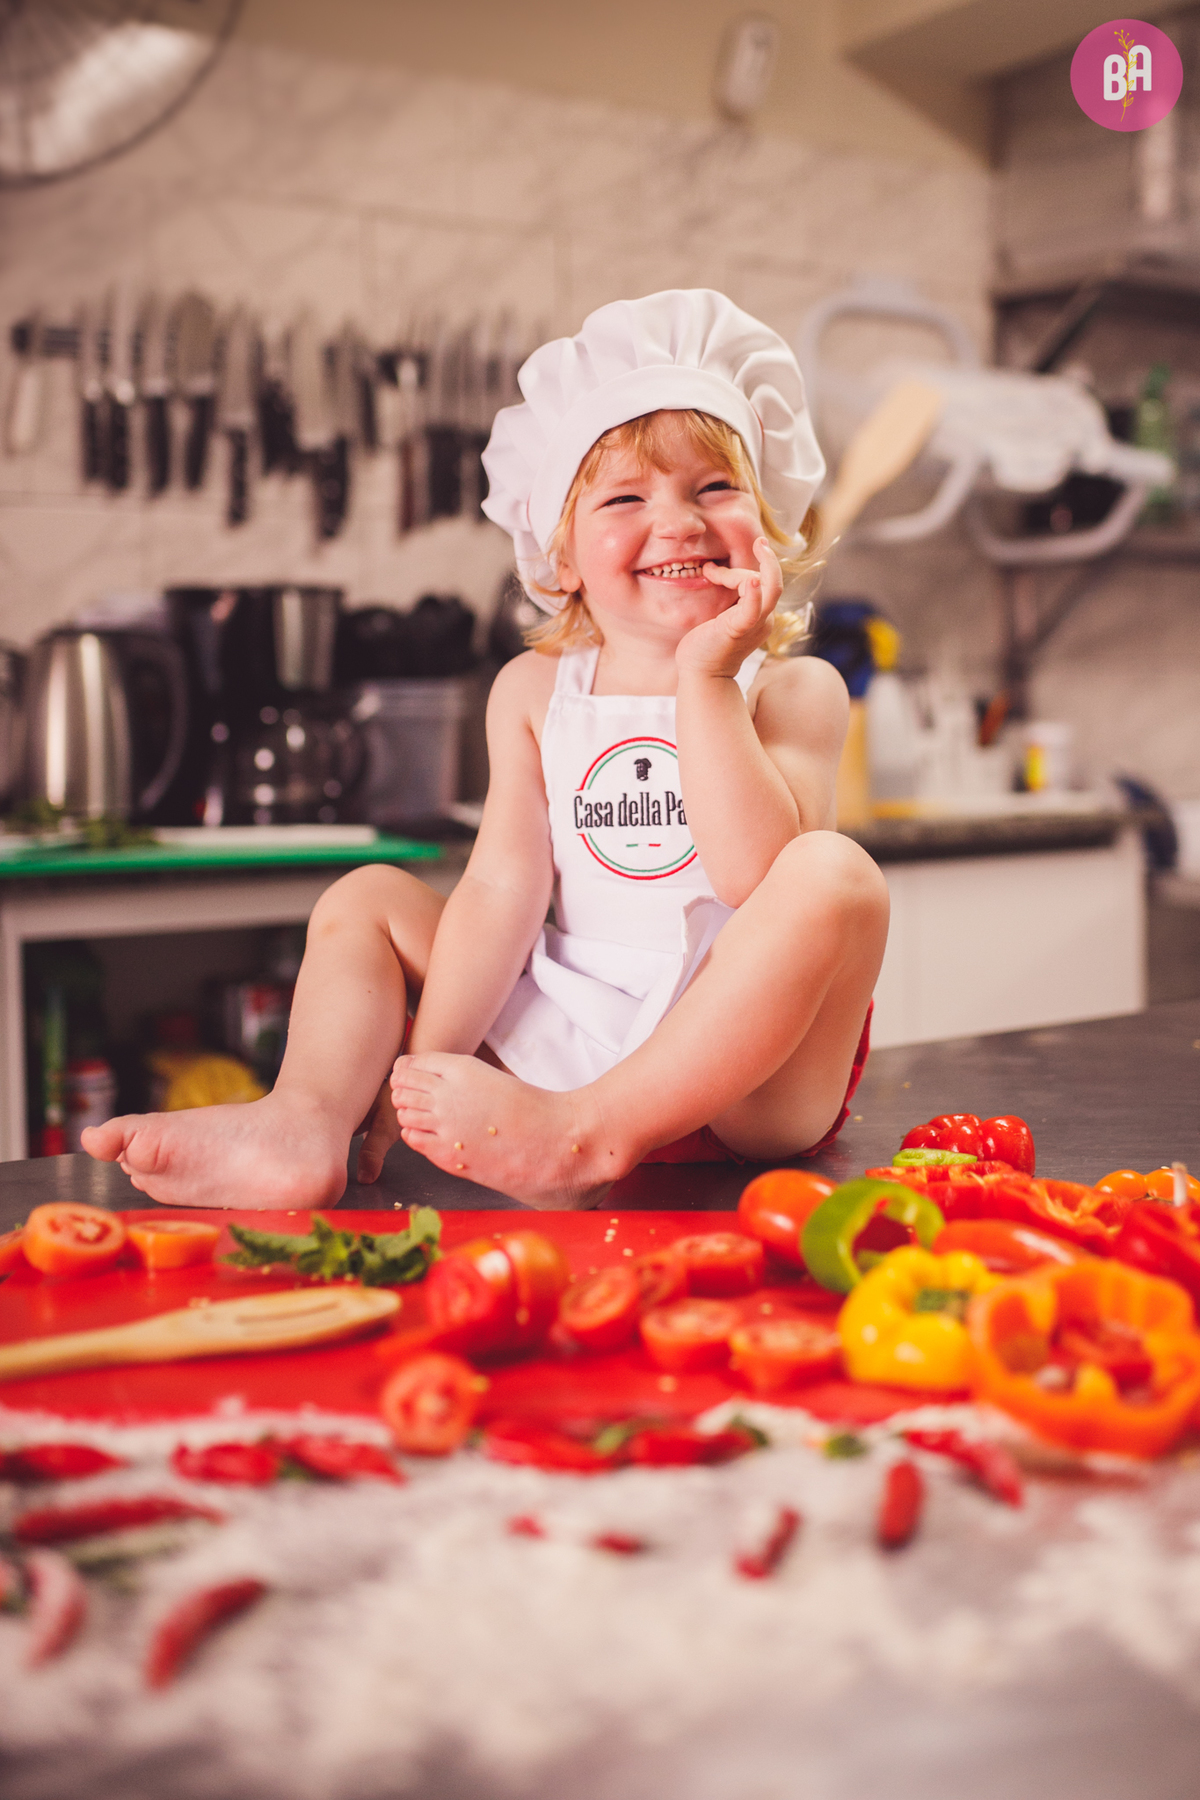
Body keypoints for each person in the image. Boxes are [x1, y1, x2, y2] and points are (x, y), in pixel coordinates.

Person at [83, 290, 888, 1211]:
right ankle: (305, 1122)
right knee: (370, 898)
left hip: (744, 1077)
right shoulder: (535, 692)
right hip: (571, 1034)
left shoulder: (790, 692)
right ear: (563, 564)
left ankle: (593, 1135)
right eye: (626, 497)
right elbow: (503, 892)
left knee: (831, 872)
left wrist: (707, 682)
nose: (679, 521)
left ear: (768, 525)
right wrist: (423, 1067)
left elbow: (755, 880)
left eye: (714, 487)